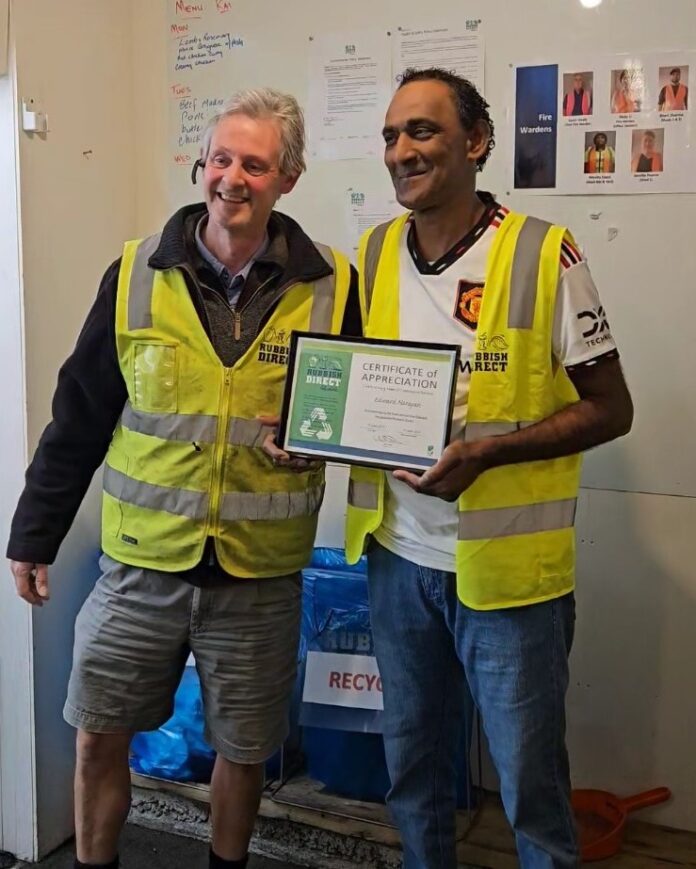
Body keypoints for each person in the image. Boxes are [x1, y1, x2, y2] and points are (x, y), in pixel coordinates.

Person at [7, 88, 359, 869]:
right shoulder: (137, 273)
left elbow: (358, 407)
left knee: (245, 749)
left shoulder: (333, 285)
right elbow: (79, 415)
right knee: (98, 733)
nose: (232, 178)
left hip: (259, 573)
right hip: (141, 566)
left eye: (255, 165)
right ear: (202, 164)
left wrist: (319, 441)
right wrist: (34, 532)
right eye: (221, 158)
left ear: (288, 178)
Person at [344, 68, 634, 869]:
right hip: (398, 558)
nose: (401, 151)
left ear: (476, 142)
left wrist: (488, 453)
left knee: (530, 787)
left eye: (422, 131)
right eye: (391, 135)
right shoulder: (373, 251)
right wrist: (309, 429)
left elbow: (612, 408)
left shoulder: (544, 252)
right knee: (413, 770)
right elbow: (362, 390)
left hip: (510, 579)